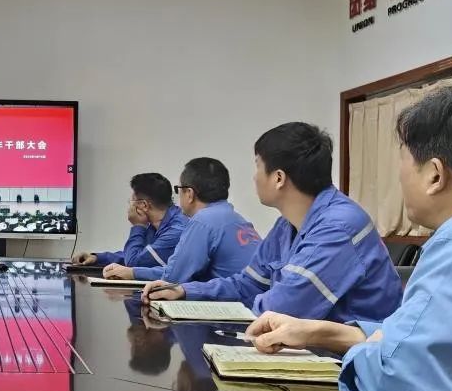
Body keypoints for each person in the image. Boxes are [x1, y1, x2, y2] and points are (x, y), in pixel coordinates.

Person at [246, 86, 452, 391]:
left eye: (403, 161)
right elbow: (411, 339)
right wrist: (321, 332)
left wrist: (360, 354)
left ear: (435, 175)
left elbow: (408, 380)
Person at [143, 122, 401, 324]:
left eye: (257, 166)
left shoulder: (338, 226)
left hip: (351, 362)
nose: (254, 177)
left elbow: (284, 309)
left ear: (278, 178)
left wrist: (224, 311)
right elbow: (248, 284)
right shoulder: (286, 225)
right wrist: (186, 292)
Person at [102, 158, 260, 283]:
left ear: (189, 194)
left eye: (179, 190)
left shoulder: (202, 221)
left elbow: (173, 276)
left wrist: (132, 272)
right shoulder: (235, 218)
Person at [71, 173, 188, 268]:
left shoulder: (176, 230)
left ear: (144, 205)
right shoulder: (157, 224)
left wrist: (138, 225)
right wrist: (98, 258)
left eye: (131, 202)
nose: (130, 207)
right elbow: (142, 255)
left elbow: (133, 262)